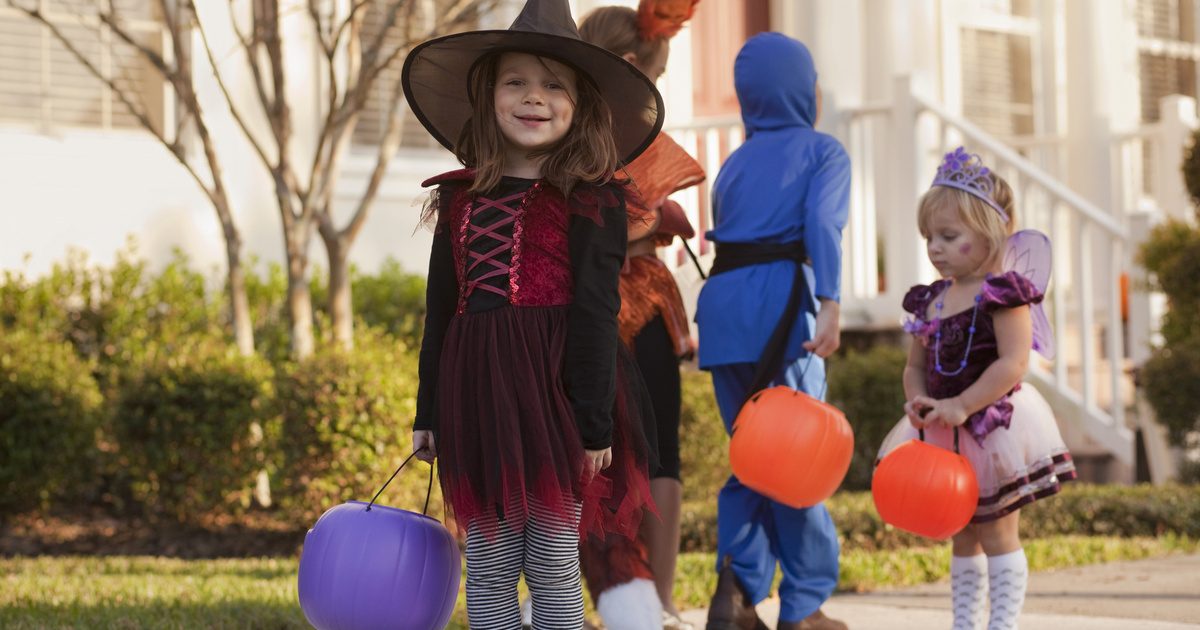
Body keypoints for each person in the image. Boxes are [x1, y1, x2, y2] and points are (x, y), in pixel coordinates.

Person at [401, 0, 664, 627]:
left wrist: (593, 423)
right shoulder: (458, 196)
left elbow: (598, 316)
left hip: (555, 402)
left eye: (553, 85)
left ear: (580, 106)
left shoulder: (591, 202)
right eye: (515, 81)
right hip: (477, 399)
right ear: (489, 95)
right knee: (489, 565)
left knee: (549, 562)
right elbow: (440, 313)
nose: (533, 97)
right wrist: (429, 412)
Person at [877, 147, 1077, 630]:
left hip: (991, 424)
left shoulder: (1003, 294)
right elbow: (915, 365)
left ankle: (1001, 624)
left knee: (997, 531)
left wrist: (964, 404)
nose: (935, 248)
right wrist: (918, 399)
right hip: (945, 428)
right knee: (961, 533)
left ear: (989, 235)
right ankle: (965, 623)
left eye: (949, 236)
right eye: (929, 237)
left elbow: (1014, 362)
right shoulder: (932, 300)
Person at [693, 33, 850, 630]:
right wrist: (830, 300)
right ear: (806, 92)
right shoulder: (823, 152)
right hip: (782, 309)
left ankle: (735, 588)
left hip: (724, 311)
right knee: (798, 456)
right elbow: (821, 225)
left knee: (753, 455)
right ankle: (805, 607)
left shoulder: (731, 165)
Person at [577, 3, 704, 629]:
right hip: (624, 303)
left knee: (624, 452)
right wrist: (656, 219)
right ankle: (652, 596)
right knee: (651, 453)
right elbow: (605, 221)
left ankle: (630, 594)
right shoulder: (609, 131)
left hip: (602, 304)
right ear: (630, 67)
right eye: (652, 77)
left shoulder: (560, 124)